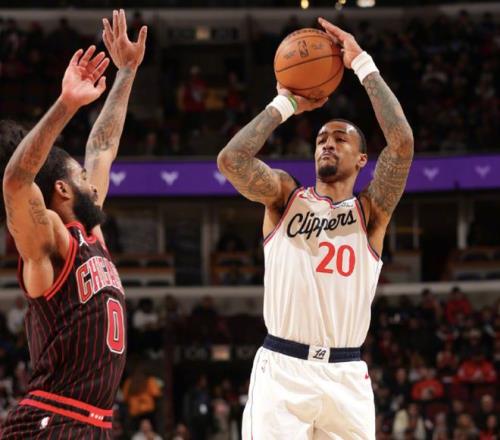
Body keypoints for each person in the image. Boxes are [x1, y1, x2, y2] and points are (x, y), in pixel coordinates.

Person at [217, 18, 414, 439]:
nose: (327, 143)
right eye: (322, 138)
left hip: (346, 373)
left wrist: (362, 64)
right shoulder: (285, 196)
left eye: (340, 139)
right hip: (283, 369)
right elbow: (231, 161)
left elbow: (401, 143)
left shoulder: (371, 211)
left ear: (362, 159)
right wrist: (285, 104)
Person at [0, 9, 147, 438]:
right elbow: (16, 181)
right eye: (82, 177)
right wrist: (66, 104)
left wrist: (127, 72)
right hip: (52, 420)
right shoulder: (50, 240)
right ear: (63, 190)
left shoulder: (90, 233)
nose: (92, 182)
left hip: (91, 424)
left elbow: (103, 145)